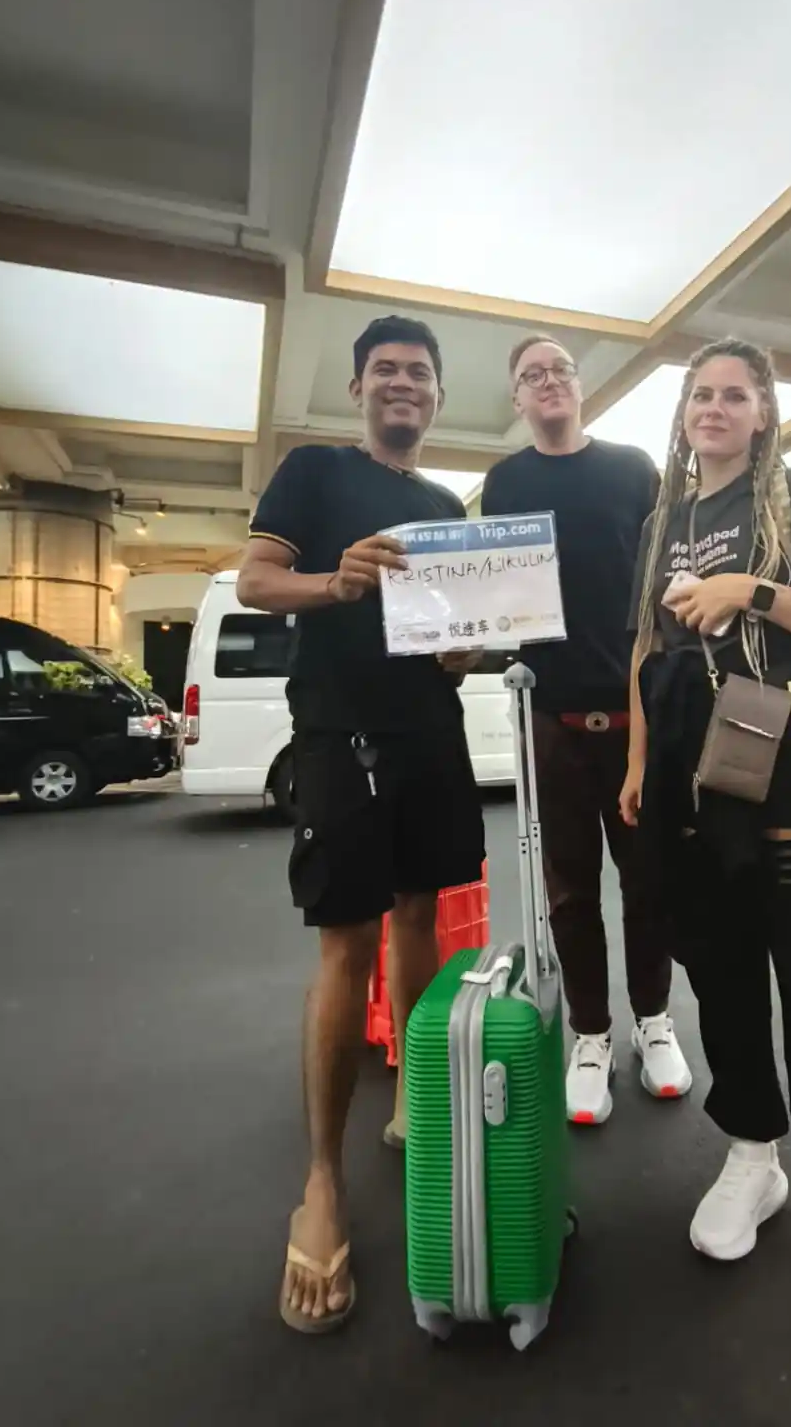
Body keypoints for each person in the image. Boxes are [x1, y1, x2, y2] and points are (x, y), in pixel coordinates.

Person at [621, 337, 791, 1285]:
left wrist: (756, 591)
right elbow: (646, 648)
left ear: (765, 413)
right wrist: (638, 762)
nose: (716, 408)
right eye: (702, 394)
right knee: (724, 978)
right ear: (685, 412)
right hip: (693, 784)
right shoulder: (665, 519)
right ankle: (751, 1155)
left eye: (736, 395)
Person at [237, 314, 486, 1334]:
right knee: (347, 944)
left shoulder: (441, 504)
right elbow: (256, 580)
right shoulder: (311, 471)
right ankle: (321, 1181)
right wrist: (333, 580)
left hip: (430, 728)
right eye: (385, 369)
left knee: (422, 915)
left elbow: (454, 636)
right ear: (358, 389)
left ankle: (412, 1099)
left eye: (419, 373)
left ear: (435, 396)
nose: (402, 385)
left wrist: (462, 651)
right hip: (340, 737)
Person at [480, 334, 690, 1124]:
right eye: (531, 374)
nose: (549, 382)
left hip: (637, 714)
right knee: (570, 889)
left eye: (560, 370)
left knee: (648, 883)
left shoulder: (633, 469)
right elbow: (494, 592)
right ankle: (591, 1034)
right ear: (518, 399)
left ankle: (655, 1022)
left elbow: (670, 578)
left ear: (580, 387)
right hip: (552, 719)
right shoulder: (504, 484)